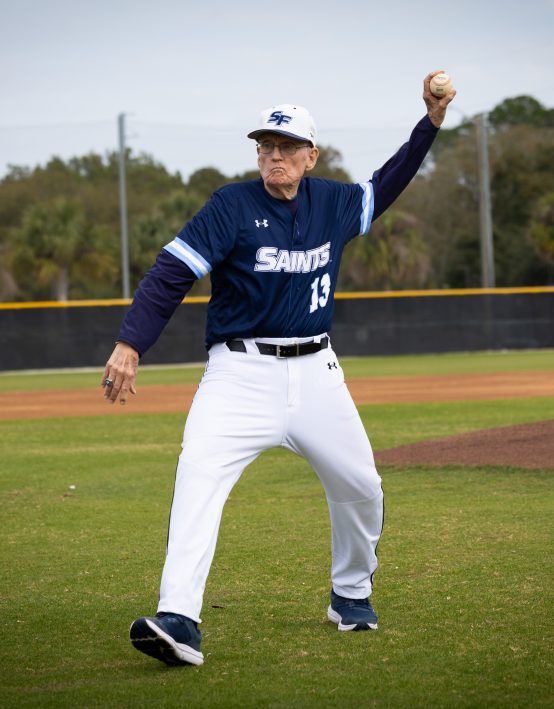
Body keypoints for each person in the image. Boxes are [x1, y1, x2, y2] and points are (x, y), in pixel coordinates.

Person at [101, 71, 455, 667]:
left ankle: (351, 594)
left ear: (310, 156)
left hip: (318, 372)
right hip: (239, 375)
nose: (274, 155)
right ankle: (179, 618)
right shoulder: (231, 206)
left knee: (362, 487)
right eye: (265, 145)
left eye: (287, 146)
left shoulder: (335, 204)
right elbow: (172, 272)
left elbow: (387, 183)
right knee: (198, 480)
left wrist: (431, 124)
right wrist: (132, 342)